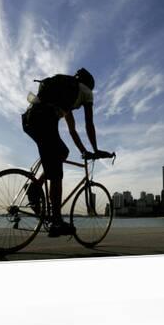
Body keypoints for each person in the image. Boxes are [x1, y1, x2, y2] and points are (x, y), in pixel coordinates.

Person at [21, 68, 111, 237]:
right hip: (44, 120)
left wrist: (84, 151)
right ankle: (55, 220)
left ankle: (36, 187)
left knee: (62, 152)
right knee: (56, 173)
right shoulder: (86, 92)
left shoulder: (66, 96)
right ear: (89, 85)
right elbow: (89, 124)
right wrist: (96, 150)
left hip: (29, 119)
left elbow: (72, 131)